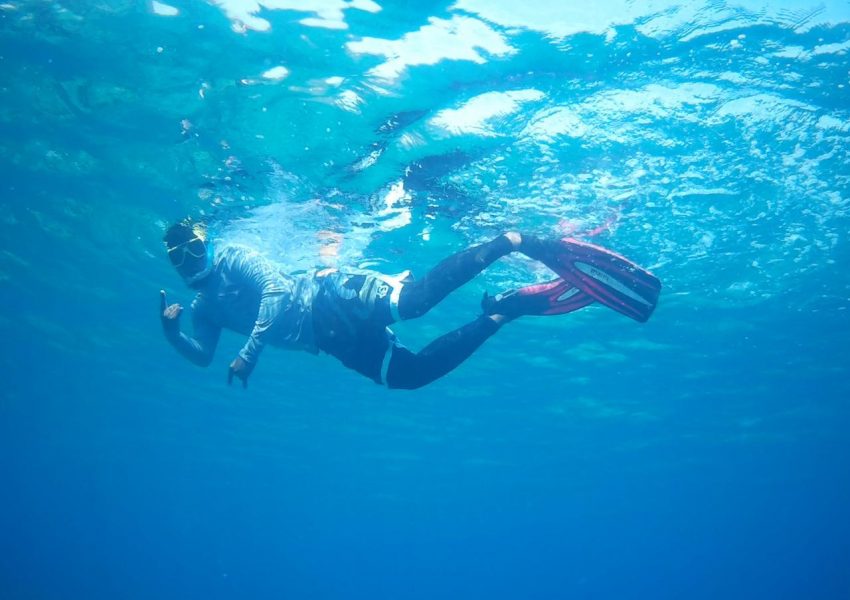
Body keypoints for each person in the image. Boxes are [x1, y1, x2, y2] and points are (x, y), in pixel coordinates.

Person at [160, 218, 660, 390]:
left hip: (330, 298)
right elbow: (202, 355)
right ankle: (502, 311)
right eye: (181, 256)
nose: (192, 260)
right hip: (326, 341)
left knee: (416, 303)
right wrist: (172, 336)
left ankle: (510, 241)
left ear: (210, 242)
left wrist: (249, 353)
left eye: (196, 247)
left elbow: (273, 291)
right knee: (408, 377)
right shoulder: (204, 308)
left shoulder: (235, 257)